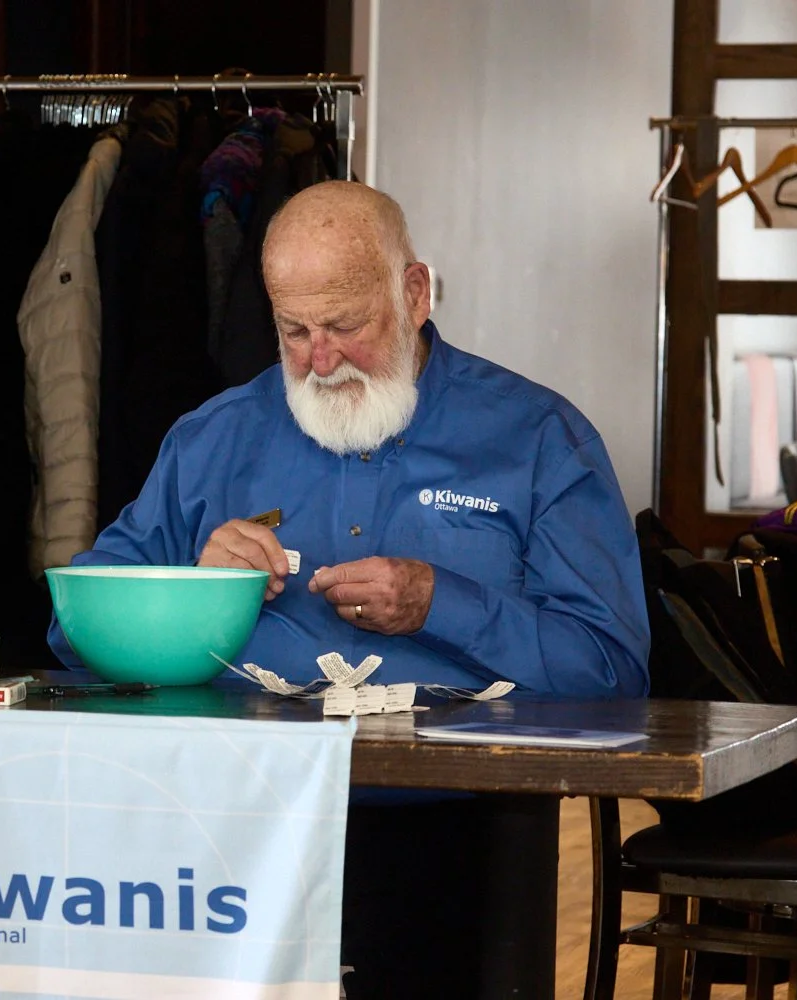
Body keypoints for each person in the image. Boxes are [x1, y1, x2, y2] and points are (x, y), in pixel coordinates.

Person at [47, 180, 651, 996]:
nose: (321, 361)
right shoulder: (213, 439)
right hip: (230, 834)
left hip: (461, 831)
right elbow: (75, 624)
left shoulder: (538, 438)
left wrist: (443, 604)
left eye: (344, 326)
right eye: (294, 332)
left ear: (414, 294)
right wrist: (192, 594)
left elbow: (613, 669)